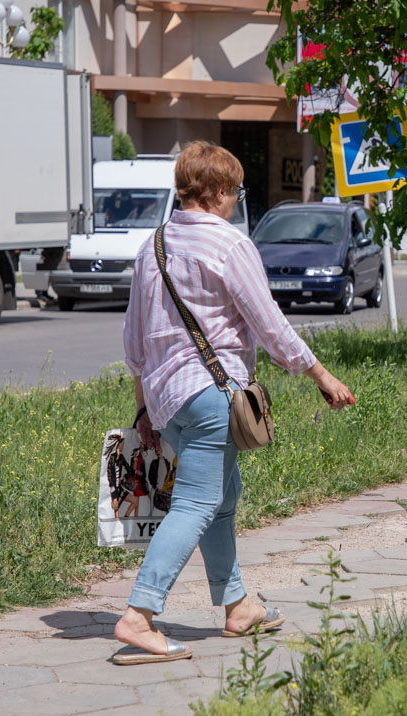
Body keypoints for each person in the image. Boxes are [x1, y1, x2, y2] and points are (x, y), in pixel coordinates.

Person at [113, 141, 355, 665]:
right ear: (220, 191)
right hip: (210, 394)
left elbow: (134, 339)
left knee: (223, 497)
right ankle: (139, 616)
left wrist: (144, 408)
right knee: (196, 505)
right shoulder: (228, 244)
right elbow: (270, 324)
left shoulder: (153, 246)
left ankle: (238, 606)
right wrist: (321, 375)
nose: (235, 201)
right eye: (237, 192)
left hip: (167, 400)